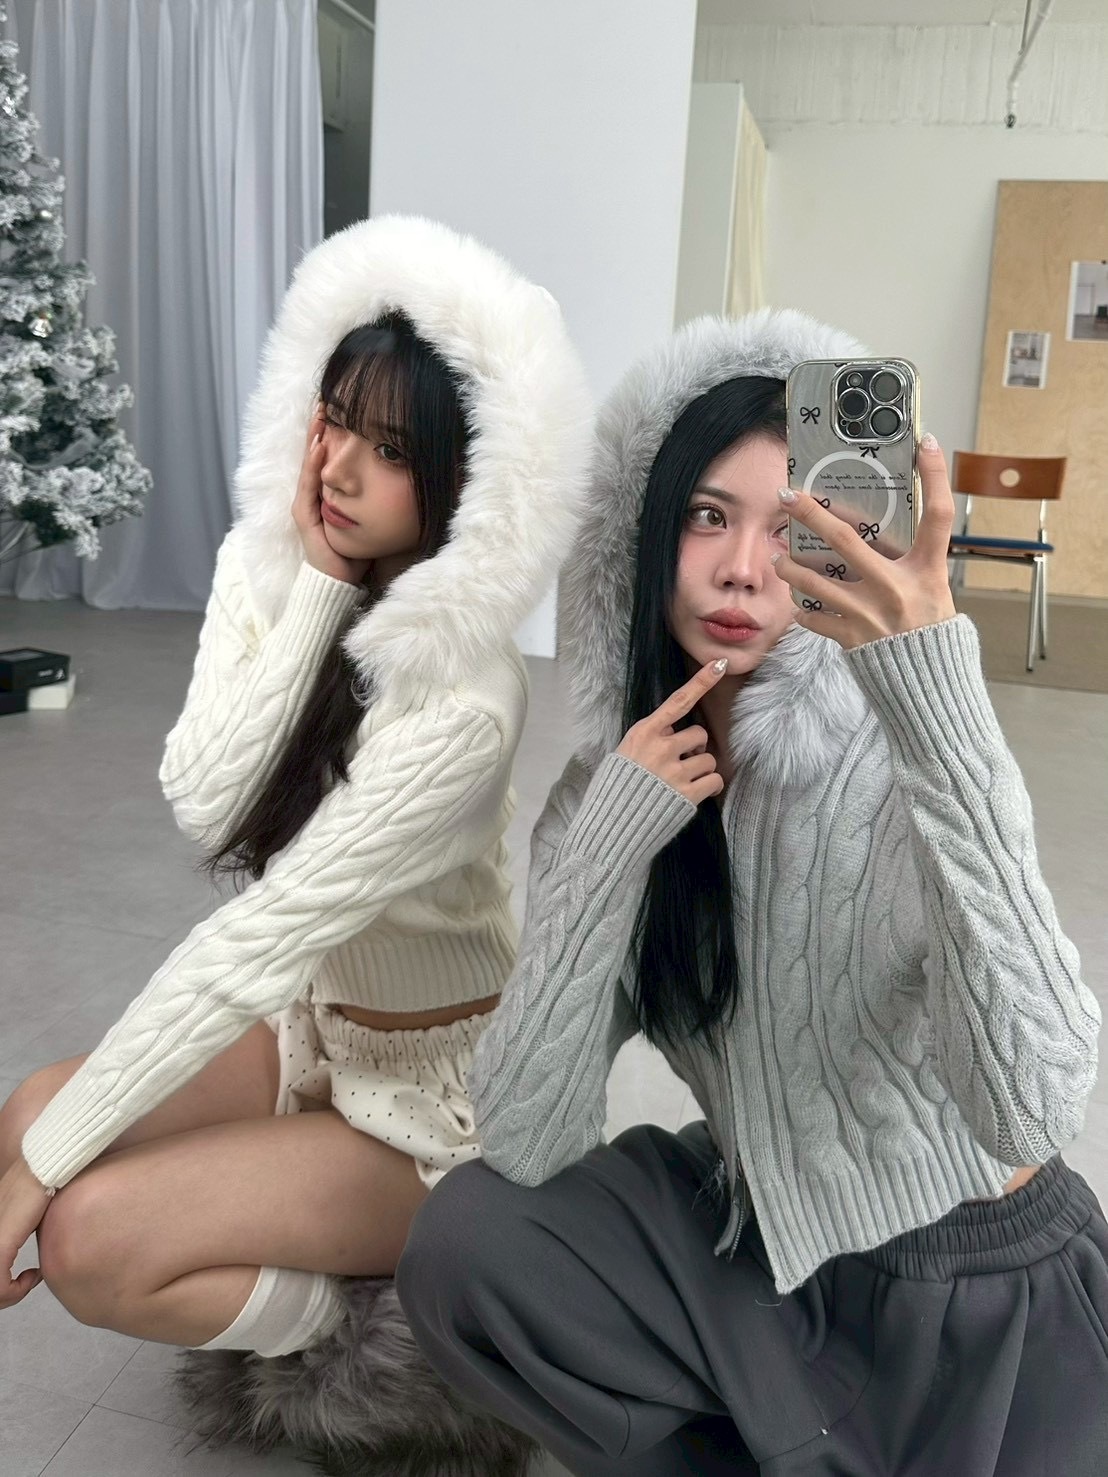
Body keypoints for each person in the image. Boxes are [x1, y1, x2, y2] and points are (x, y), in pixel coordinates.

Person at [395, 308, 1105, 1476]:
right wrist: (609, 843)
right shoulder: (611, 796)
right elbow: (523, 1136)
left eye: (787, 527)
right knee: (467, 1240)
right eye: (705, 516)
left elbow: (1030, 1109)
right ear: (639, 538)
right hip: (764, 1249)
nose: (739, 567)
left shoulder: (903, 760)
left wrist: (938, 706)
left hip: (979, 1293)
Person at [0, 215, 590, 1364]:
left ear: (465, 479)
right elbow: (207, 802)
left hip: (433, 1096)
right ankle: (298, 1232)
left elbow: (255, 936)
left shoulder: (464, 703)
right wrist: (313, 586)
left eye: (392, 449)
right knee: (31, 1113)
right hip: (312, 1027)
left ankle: (360, 1332)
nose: (340, 470)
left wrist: (40, 1172)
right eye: (336, 422)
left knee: (85, 1235)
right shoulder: (276, 561)